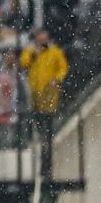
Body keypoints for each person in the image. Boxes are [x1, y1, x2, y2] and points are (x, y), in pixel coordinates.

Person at [20, 29, 69, 177]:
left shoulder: (55, 52)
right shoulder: (31, 52)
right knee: (37, 132)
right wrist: (33, 54)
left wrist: (57, 79)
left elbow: (63, 68)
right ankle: (41, 160)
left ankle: (47, 163)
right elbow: (23, 63)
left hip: (49, 98)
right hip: (34, 98)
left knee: (48, 131)